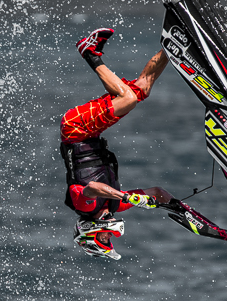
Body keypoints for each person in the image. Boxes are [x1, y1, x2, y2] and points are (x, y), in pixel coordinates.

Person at [60, 28, 174, 260]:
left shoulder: (84, 206)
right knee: (142, 89)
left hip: (75, 130)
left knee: (127, 99)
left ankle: (89, 52)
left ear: (90, 232)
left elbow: (93, 188)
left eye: (105, 239)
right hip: (92, 132)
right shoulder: (115, 206)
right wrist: (179, 209)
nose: (111, 235)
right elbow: (157, 192)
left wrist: (125, 197)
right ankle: (174, 46)